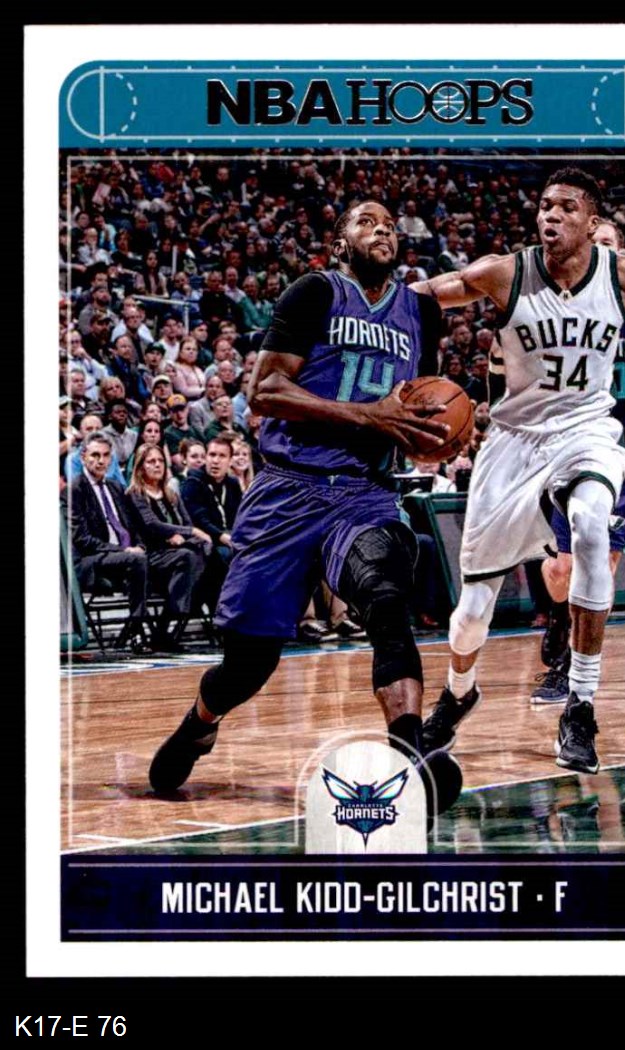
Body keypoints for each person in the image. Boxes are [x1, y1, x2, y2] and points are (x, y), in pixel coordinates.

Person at [148, 199, 460, 816]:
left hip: (364, 490)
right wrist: (367, 416)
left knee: (386, 597)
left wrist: (434, 430)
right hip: (289, 487)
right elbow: (264, 391)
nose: (382, 229)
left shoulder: (420, 312)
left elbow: (420, 399)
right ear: (339, 242)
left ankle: (410, 752)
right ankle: (201, 721)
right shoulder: (315, 292)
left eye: (389, 224)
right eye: (366, 222)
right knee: (249, 662)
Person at [412, 168, 625, 775]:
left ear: (592, 221)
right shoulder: (506, 272)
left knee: (591, 527)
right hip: (513, 443)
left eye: (566, 208)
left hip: (587, 430)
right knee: (472, 611)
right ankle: (458, 692)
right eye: (545, 206)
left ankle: (580, 706)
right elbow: (422, 296)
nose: (550, 215)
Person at [531, 218, 625, 703]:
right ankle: (558, 621)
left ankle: (570, 669)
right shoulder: (565, 310)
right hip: (576, 443)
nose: (604, 253)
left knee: (601, 563)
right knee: (558, 571)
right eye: (597, 245)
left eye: (611, 245)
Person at [63, 433, 152, 653]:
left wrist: (140, 545)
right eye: (95, 455)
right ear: (83, 457)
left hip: (121, 557)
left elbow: (132, 525)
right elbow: (82, 539)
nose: (100, 460)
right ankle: (137, 630)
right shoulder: (74, 490)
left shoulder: (116, 487)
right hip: (90, 560)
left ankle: (152, 629)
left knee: (153, 559)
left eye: (105, 456)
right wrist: (124, 550)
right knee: (137, 561)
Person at [126, 444, 211, 650]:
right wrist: (187, 532)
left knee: (207, 553)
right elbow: (152, 525)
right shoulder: (135, 494)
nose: (157, 465)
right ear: (140, 467)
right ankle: (169, 625)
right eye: (151, 461)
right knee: (191, 557)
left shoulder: (171, 493)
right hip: (153, 554)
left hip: (179, 553)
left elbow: (186, 521)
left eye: (160, 461)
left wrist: (184, 534)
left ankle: (165, 630)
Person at [181, 433, 243, 610]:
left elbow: (241, 516)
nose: (215, 461)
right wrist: (223, 537)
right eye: (212, 455)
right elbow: (199, 519)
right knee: (226, 555)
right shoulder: (193, 482)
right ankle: (226, 610)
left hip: (231, 538)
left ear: (230, 461)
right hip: (206, 542)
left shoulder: (232, 483)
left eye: (222, 456)